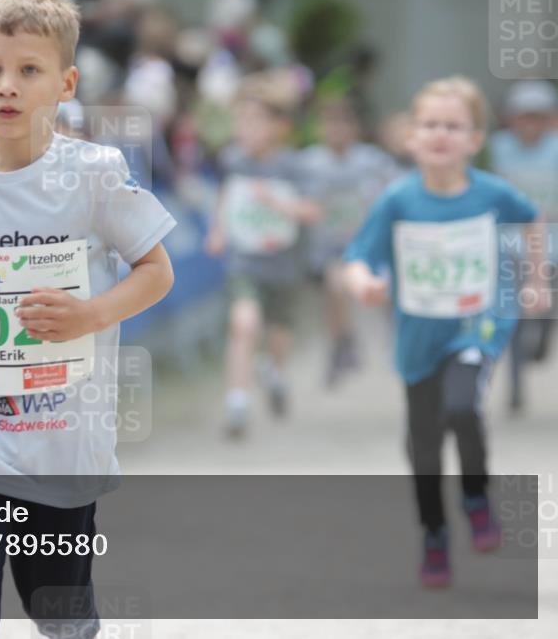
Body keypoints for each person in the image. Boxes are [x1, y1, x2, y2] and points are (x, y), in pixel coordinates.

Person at [0, 0, 176, 639]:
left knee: (59, 612)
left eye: (28, 70)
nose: (7, 87)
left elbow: (157, 271)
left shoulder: (94, 174)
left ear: (66, 82)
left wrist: (89, 316)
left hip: (59, 437)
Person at [343, 77, 551, 588]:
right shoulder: (398, 199)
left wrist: (536, 279)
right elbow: (357, 258)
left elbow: (534, 219)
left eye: (453, 126)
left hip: (475, 323)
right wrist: (365, 283)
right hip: (418, 338)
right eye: (430, 124)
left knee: (463, 404)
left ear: (475, 139)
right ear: (411, 137)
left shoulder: (491, 192)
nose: (441, 134)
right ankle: (434, 534)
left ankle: (476, 497)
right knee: (425, 449)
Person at [204, 76, 320, 438]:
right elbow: (227, 193)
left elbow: (313, 210)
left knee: (279, 332)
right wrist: (218, 229)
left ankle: (276, 374)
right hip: (245, 261)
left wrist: (279, 204)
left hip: (284, 263)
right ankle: (237, 402)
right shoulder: (233, 159)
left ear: (280, 127)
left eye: (255, 121)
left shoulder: (294, 166)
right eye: (241, 120)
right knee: (244, 324)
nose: (245, 129)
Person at [300, 96, 399, 387]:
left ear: (354, 129)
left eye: (343, 124)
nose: (337, 131)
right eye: (330, 124)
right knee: (335, 287)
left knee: (385, 289)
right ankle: (341, 342)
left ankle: (395, 338)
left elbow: (396, 188)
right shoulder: (309, 162)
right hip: (330, 248)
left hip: (369, 245)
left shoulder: (372, 160)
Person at [488, 81, 558, 414]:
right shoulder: (497, 148)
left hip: (552, 237)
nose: (530, 125)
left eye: (538, 117)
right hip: (510, 239)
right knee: (514, 313)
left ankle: (545, 334)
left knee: (546, 303)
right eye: (523, 117)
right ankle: (516, 385)